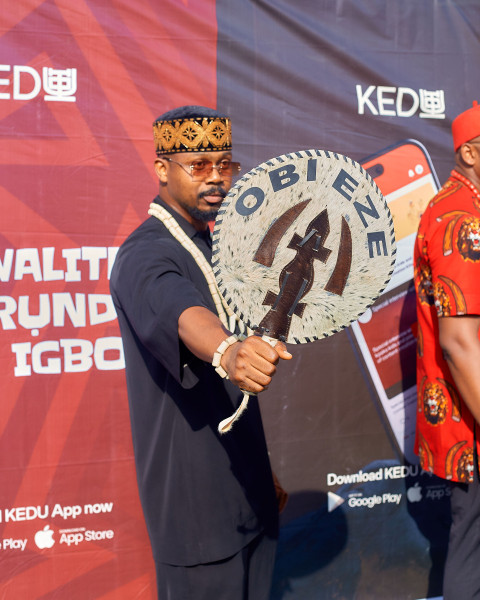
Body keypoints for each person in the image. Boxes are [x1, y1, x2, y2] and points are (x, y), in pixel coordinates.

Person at [110, 105, 292, 599]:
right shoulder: (144, 253)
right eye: (199, 165)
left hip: (247, 493)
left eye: (225, 165)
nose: (216, 178)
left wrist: (259, 466)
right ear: (163, 170)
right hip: (196, 515)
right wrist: (231, 353)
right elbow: (180, 311)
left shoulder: (213, 246)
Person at [414, 101, 480, 599]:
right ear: (472, 153)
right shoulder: (461, 219)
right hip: (472, 428)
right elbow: (459, 344)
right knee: (472, 547)